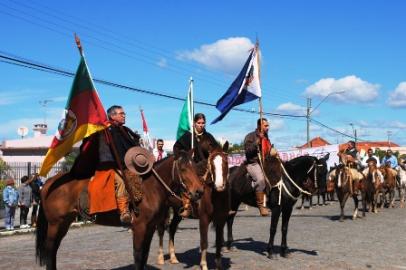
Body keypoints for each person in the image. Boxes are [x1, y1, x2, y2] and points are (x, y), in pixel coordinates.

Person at [72, 105, 140, 225]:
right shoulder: (103, 129)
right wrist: (104, 129)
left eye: (124, 113)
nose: (124, 115)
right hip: (106, 166)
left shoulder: (123, 130)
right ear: (112, 116)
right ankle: (124, 211)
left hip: (122, 164)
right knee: (121, 181)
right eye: (121, 113)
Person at [173, 113, 220, 217]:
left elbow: (216, 149)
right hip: (192, 166)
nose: (201, 125)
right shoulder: (188, 136)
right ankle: (187, 206)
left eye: (203, 123)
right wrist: (185, 156)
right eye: (199, 123)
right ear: (194, 123)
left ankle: (220, 206)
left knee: (220, 179)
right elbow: (176, 147)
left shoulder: (208, 137)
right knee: (188, 181)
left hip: (206, 166)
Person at [243, 118, 273, 217]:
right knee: (260, 180)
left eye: (268, 125)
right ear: (260, 126)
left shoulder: (266, 137)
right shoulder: (250, 136)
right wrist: (257, 142)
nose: (268, 127)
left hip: (265, 163)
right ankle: (261, 206)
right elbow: (247, 151)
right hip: (253, 163)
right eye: (266, 126)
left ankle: (271, 203)